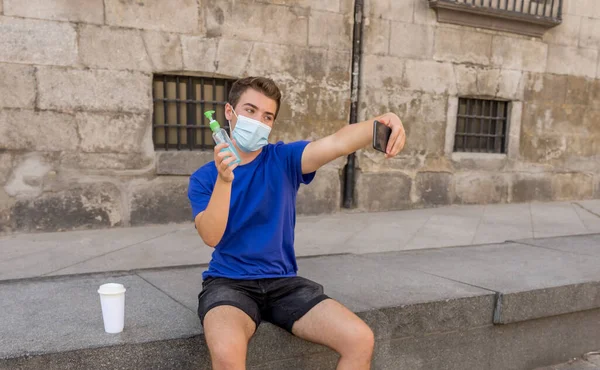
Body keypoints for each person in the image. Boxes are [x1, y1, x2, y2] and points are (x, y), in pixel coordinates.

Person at [187, 76, 406, 370]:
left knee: (360, 338)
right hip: (229, 283)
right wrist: (225, 180)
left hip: (283, 282)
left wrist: (382, 123)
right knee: (227, 355)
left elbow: (338, 142)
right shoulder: (204, 177)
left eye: (267, 116)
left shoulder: (283, 159)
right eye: (250, 111)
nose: (258, 121)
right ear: (229, 112)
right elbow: (211, 235)